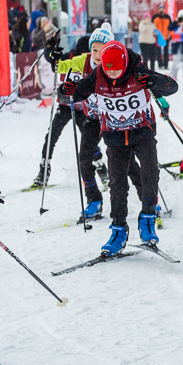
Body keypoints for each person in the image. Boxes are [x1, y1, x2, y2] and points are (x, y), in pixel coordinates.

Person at [60, 41, 177, 253]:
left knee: (150, 172)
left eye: (117, 68)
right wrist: (65, 90)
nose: (112, 73)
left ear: (124, 63)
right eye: (108, 69)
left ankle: (148, 218)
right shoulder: (97, 76)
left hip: (143, 133)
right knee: (117, 184)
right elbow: (70, 96)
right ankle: (118, 229)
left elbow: (171, 87)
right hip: (114, 138)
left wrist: (152, 81)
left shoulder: (137, 70)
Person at [37, 28, 118, 222]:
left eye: (98, 52)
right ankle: (44, 172)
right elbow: (56, 64)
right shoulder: (76, 59)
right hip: (68, 106)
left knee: (101, 151)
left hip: (89, 111)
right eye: (91, 52)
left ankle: (108, 176)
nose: (92, 58)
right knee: (56, 139)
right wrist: (49, 49)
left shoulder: (104, 64)